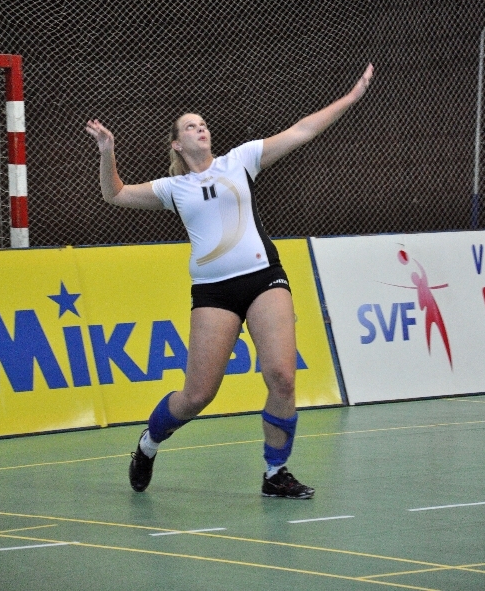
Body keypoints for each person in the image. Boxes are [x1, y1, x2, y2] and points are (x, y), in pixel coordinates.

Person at [85, 62, 373, 499]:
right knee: (197, 395)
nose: (200, 128)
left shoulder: (240, 160)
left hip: (264, 278)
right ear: (177, 143)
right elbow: (115, 194)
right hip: (214, 293)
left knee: (282, 376)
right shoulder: (173, 188)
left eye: (203, 124)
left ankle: (275, 473)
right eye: (190, 126)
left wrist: (350, 98)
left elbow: (302, 130)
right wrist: (107, 150)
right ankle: (148, 444)